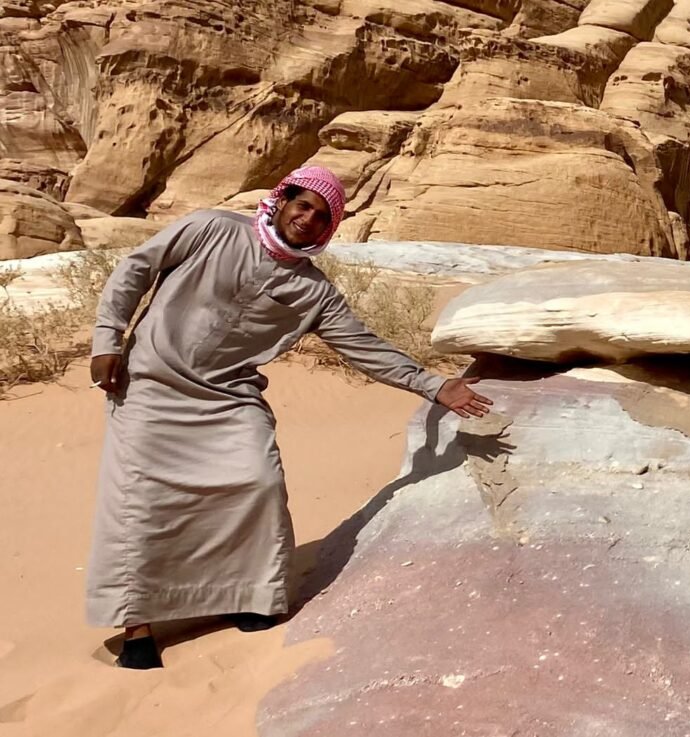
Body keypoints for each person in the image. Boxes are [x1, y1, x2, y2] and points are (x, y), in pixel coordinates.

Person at [86, 166, 491, 670]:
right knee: (141, 501)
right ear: (281, 200)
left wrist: (433, 385)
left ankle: (245, 595)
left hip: (228, 397)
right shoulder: (211, 228)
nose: (308, 220)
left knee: (258, 482)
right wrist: (107, 339)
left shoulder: (314, 291)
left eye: (322, 217)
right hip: (150, 384)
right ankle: (138, 627)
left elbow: (363, 346)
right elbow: (135, 269)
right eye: (303, 206)